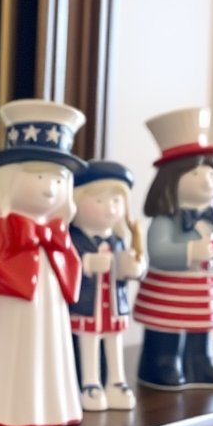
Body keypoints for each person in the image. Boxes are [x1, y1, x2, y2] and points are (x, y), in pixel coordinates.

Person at [0, 100, 85, 426]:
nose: (50, 188)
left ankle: (50, 404)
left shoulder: (58, 231)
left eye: (59, 180)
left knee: (48, 346)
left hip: (47, 306)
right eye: (40, 176)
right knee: (1, 348)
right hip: (2, 304)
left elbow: (69, 264)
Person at [134, 108, 213, 389]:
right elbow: (158, 253)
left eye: (212, 171)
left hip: (204, 294)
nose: (207, 180)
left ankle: (200, 361)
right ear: (170, 180)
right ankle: (162, 362)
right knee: (167, 330)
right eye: (195, 173)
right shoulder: (164, 222)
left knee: (200, 331)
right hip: (169, 292)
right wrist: (191, 252)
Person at [69, 161, 145, 410]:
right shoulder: (74, 240)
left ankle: (116, 380)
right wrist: (87, 263)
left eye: (116, 201)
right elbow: (64, 267)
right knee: (88, 343)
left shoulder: (119, 240)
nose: (110, 209)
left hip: (113, 307)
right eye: (100, 201)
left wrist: (135, 268)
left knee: (114, 343)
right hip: (87, 307)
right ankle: (90, 382)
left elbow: (127, 268)